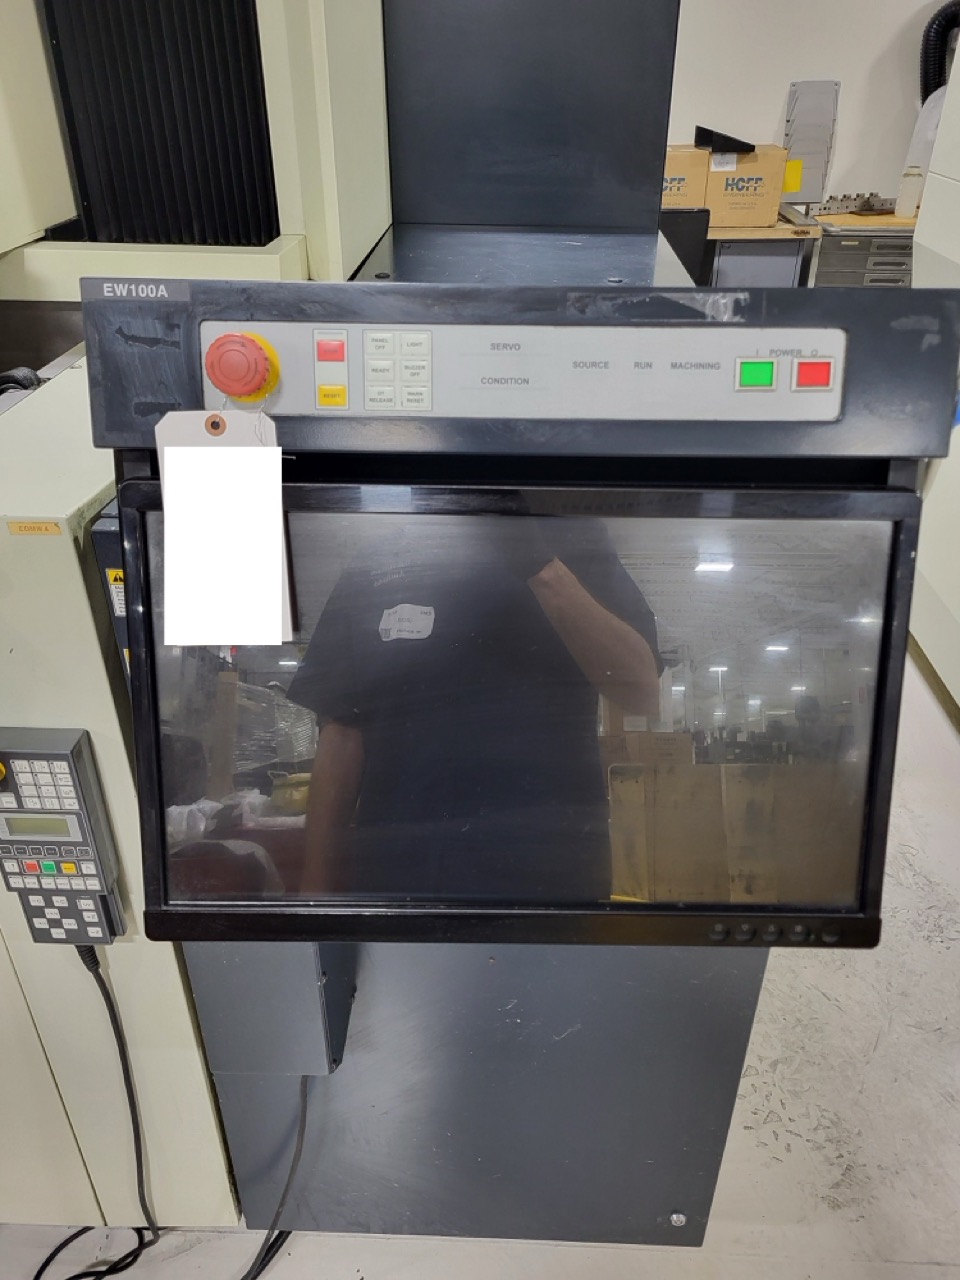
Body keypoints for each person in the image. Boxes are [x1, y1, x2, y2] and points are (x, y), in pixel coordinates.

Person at [286, 511, 662, 901]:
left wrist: (541, 567)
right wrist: (315, 893)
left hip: (547, 885)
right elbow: (342, 734)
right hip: (398, 883)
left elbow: (641, 690)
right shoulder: (378, 563)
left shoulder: (570, 537)